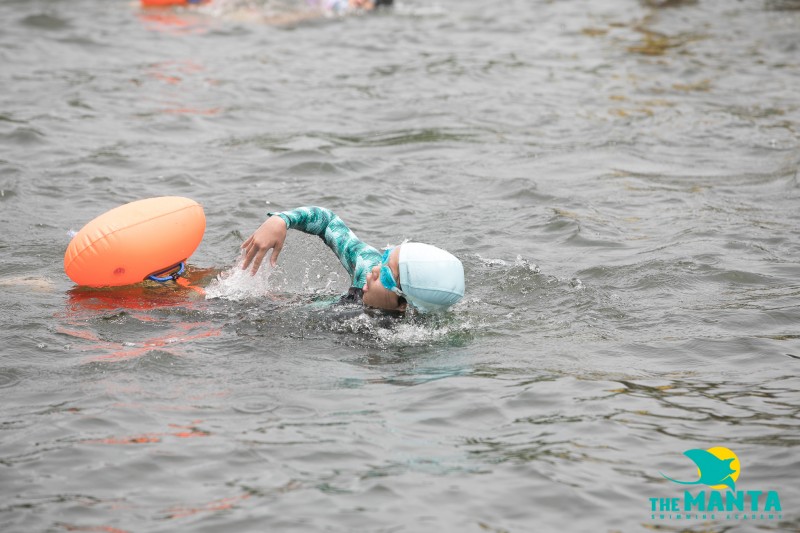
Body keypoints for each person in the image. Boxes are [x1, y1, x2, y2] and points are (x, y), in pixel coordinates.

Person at [241, 207, 464, 313]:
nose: (375, 270)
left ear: (405, 305)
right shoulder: (369, 265)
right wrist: (282, 220)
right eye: (385, 258)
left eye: (386, 274)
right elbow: (328, 222)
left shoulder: (398, 342)